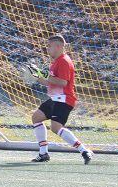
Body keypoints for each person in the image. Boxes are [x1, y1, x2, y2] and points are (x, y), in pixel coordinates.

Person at [30, 34, 93, 165]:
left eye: (50, 46)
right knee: (36, 117)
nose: (47, 49)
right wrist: (37, 76)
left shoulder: (64, 61)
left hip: (64, 99)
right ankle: (43, 153)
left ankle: (84, 150)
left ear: (58, 47)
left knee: (55, 127)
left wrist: (45, 75)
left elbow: (63, 82)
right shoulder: (55, 62)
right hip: (55, 99)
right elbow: (50, 82)